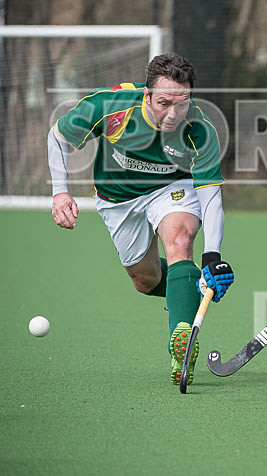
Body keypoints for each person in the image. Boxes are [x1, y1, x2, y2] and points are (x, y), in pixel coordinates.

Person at [47, 53, 235, 386]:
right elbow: (59, 135)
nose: (173, 114)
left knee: (180, 240)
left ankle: (182, 352)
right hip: (116, 199)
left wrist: (212, 258)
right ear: (146, 95)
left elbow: (210, 198)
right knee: (144, 280)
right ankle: (188, 290)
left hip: (171, 189)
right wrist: (60, 192)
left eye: (182, 103)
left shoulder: (199, 128)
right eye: (164, 103)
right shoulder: (112, 105)